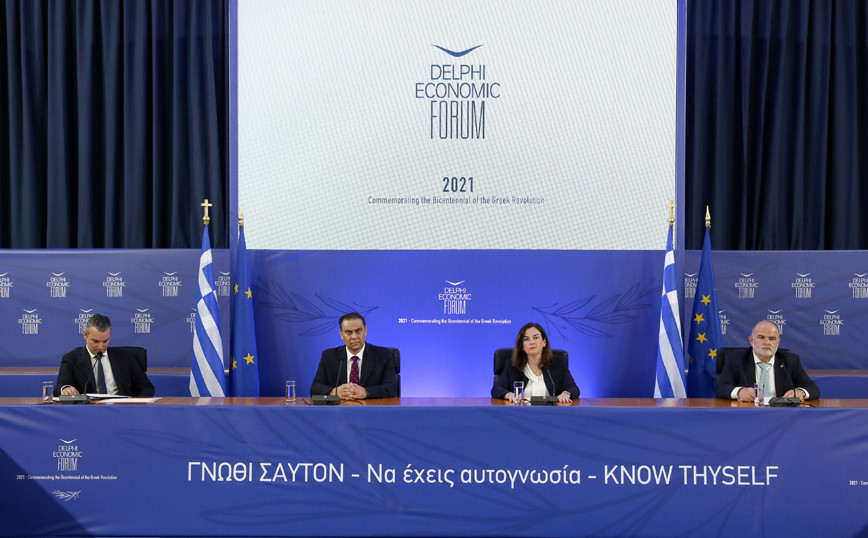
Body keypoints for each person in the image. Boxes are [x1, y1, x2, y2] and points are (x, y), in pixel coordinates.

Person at [716, 320, 819, 402]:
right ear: (751, 340)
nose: (767, 342)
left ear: (778, 342)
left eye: (772, 339)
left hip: (781, 413)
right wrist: (740, 392)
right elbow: (721, 388)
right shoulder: (736, 359)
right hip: (748, 413)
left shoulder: (790, 360)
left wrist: (801, 393)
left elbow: (812, 388)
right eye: (761, 337)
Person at [54, 314, 155, 397]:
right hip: (88, 410)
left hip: (122, 409)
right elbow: (59, 387)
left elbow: (147, 387)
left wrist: (136, 405)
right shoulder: (72, 359)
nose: (100, 346)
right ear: (85, 335)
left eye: (105, 341)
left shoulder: (125, 357)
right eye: (95, 341)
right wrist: (65, 389)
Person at [310, 312, 398, 400]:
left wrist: (366, 392)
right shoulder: (329, 356)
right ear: (341, 334)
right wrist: (334, 392)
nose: (354, 337)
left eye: (358, 331)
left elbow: (391, 388)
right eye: (349, 332)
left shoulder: (383, 355)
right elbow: (315, 388)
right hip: (340, 407)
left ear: (365, 331)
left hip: (371, 407)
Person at [492, 322, 579, 402]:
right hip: (521, 412)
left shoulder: (558, 364)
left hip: (551, 412)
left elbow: (573, 388)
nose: (532, 342)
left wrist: (566, 393)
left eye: (536, 337)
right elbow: (496, 389)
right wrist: (509, 395)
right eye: (526, 339)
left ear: (544, 342)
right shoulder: (513, 366)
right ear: (522, 346)